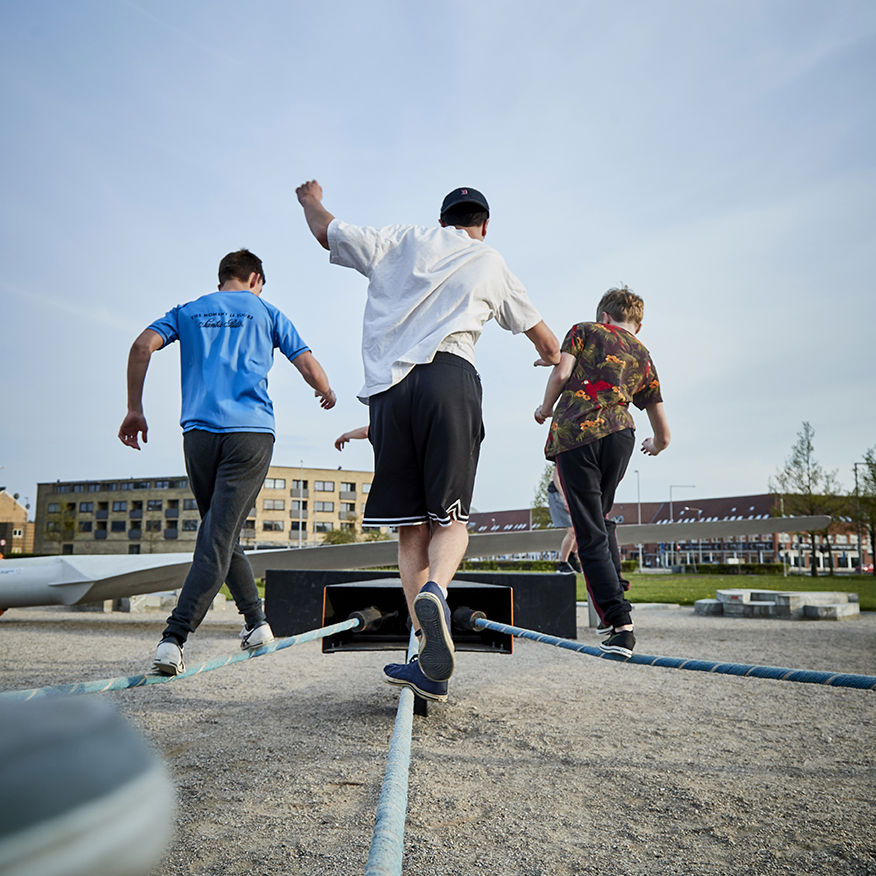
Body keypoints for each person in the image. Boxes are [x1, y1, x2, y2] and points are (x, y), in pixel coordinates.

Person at [296, 180, 560, 701]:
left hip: (389, 395)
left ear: (442, 221)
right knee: (452, 519)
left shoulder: (401, 240)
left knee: (409, 529)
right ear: (483, 225)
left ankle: (427, 662)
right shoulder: (490, 259)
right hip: (450, 379)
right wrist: (551, 359)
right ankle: (437, 591)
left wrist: (309, 198)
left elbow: (327, 231)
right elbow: (548, 341)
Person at [118, 249, 336, 675]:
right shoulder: (268, 311)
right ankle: (174, 638)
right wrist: (326, 390)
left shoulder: (189, 311)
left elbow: (142, 345)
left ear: (223, 278)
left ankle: (256, 624)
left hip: (199, 435)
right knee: (219, 536)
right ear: (255, 277)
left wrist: (134, 408)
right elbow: (307, 363)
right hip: (250, 435)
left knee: (220, 531)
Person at [534, 286, 669, 657]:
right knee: (600, 521)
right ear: (636, 326)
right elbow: (657, 415)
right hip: (622, 436)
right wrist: (658, 443)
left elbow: (562, 373)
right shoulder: (641, 352)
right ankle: (618, 604)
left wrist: (545, 407)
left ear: (604, 317)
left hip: (579, 433)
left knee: (587, 530)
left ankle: (620, 625)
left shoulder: (585, 330)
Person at [548, 464, 582, 574]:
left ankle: (571, 557)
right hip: (559, 494)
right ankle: (562, 564)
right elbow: (556, 477)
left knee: (579, 529)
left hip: (571, 494)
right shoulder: (564, 454)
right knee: (572, 530)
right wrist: (565, 499)